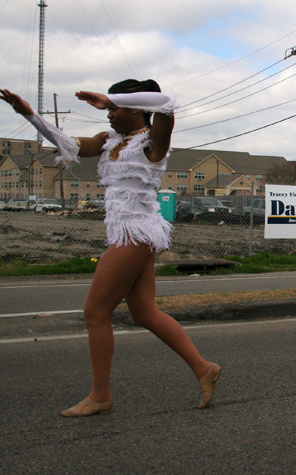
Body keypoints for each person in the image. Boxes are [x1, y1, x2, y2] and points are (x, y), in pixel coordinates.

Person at [1, 82, 221, 416]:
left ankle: (101, 396)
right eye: (109, 109)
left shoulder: (153, 141)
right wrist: (29, 115)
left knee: (95, 312)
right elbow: (66, 144)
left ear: (135, 108)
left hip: (135, 235)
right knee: (144, 313)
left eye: (115, 109)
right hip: (129, 234)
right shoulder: (110, 141)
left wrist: (111, 98)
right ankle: (204, 368)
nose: (110, 114)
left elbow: (166, 103)